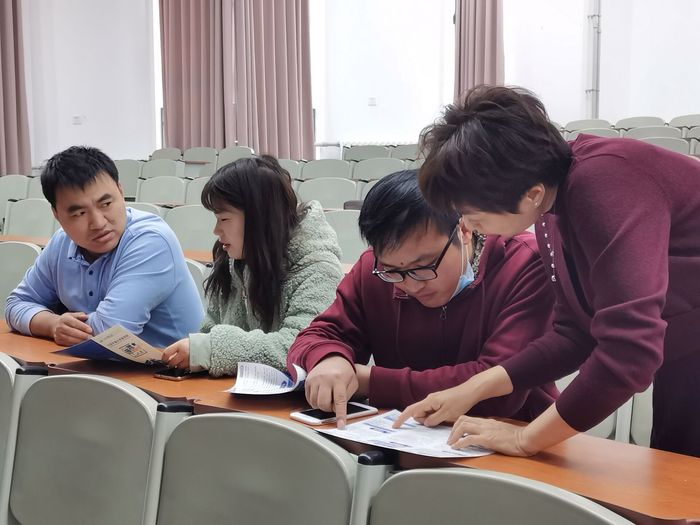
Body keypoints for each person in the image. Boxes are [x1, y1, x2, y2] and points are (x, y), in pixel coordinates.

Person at [394, 85, 700, 458]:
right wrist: (471, 389)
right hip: (685, 348)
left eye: (474, 214)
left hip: (688, 347)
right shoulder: (550, 207)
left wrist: (525, 439)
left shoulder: (606, 184)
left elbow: (629, 353)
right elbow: (575, 334)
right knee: (679, 477)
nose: (470, 226)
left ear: (532, 194)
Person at [287, 170, 557, 428]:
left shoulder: (526, 263)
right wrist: (328, 358)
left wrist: (369, 381)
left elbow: (500, 389)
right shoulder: (375, 270)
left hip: (513, 435)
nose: (412, 285)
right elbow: (316, 336)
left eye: (424, 265)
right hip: (402, 433)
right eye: (394, 271)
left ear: (464, 229)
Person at [5, 145, 204, 348]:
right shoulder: (61, 243)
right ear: (56, 214)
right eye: (79, 213)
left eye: (106, 204)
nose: (98, 223)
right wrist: (53, 324)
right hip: (98, 363)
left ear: (121, 191)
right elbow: (15, 304)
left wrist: (59, 325)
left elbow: (111, 333)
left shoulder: (151, 241)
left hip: (168, 365)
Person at [162, 156, 343, 376]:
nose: (216, 230)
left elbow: (300, 347)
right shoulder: (233, 261)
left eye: (224, 219)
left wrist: (210, 349)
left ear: (259, 217)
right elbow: (211, 328)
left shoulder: (319, 268)